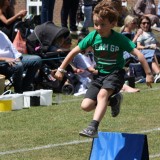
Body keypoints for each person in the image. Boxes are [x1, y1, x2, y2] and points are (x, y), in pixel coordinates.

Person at [55, 0, 153, 138]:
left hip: (116, 74)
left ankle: (93, 127)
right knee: (86, 105)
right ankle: (114, 100)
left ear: (113, 24)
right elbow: (73, 52)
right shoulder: (93, 36)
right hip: (100, 75)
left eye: (102, 24)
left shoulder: (119, 39)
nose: (98, 28)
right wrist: (61, 69)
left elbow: (139, 55)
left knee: (102, 95)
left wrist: (148, 74)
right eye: (95, 24)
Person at [136, 16, 160, 83]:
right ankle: (158, 73)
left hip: (156, 50)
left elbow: (157, 43)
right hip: (147, 52)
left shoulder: (151, 33)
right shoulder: (141, 34)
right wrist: (149, 46)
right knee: (152, 55)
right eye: (143, 23)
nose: (146, 25)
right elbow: (138, 46)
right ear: (140, 24)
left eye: (148, 23)